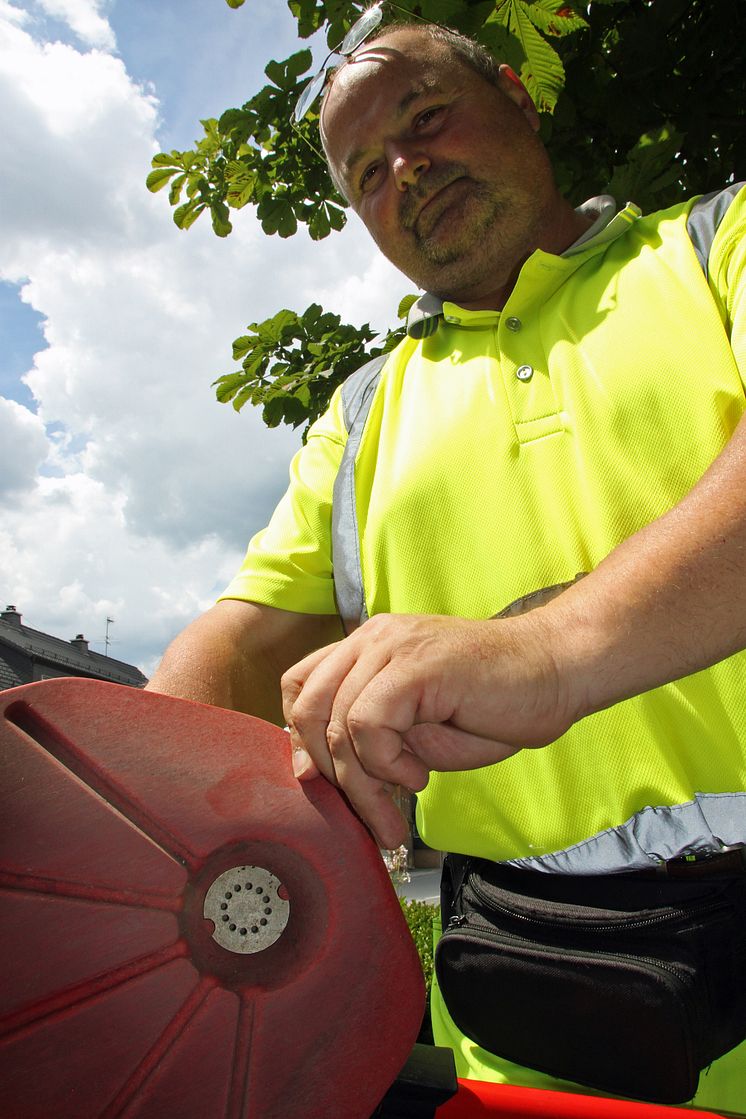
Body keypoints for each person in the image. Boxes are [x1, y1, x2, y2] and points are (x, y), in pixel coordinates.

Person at [148, 19, 746, 1112]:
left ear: (518, 98)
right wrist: (105, 818)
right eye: (366, 173)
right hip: (524, 1001)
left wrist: (549, 649)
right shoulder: (363, 411)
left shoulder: (716, 243)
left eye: (424, 119)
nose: (406, 172)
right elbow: (237, 646)